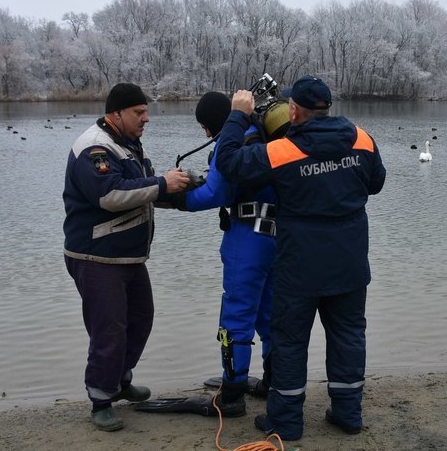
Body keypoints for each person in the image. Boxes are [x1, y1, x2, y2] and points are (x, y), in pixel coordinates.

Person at [214, 75, 386, 441]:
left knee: (291, 342)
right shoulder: (362, 139)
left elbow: (228, 163)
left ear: (293, 111)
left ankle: (286, 423)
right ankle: (348, 415)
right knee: (349, 336)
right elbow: (376, 182)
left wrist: (237, 116)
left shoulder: (283, 152)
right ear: (327, 107)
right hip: (350, 264)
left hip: (300, 268)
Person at [63, 82, 190, 432]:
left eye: (145, 111)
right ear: (116, 113)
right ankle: (100, 400)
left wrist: (182, 192)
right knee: (109, 330)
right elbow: (111, 195)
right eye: (139, 112)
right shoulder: (94, 147)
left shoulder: (127, 144)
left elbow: (141, 189)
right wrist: (164, 184)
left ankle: (119, 380)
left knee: (140, 318)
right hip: (96, 256)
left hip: (127, 256)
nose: (146, 118)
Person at [162, 91, 277, 416]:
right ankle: (273, 383)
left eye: (204, 127)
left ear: (213, 123)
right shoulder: (263, 135)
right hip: (278, 236)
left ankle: (232, 394)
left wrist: (173, 200)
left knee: (236, 317)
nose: (205, 134)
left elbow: (217, 193)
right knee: (270, 314)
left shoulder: (233, 142)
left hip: (247, 239)